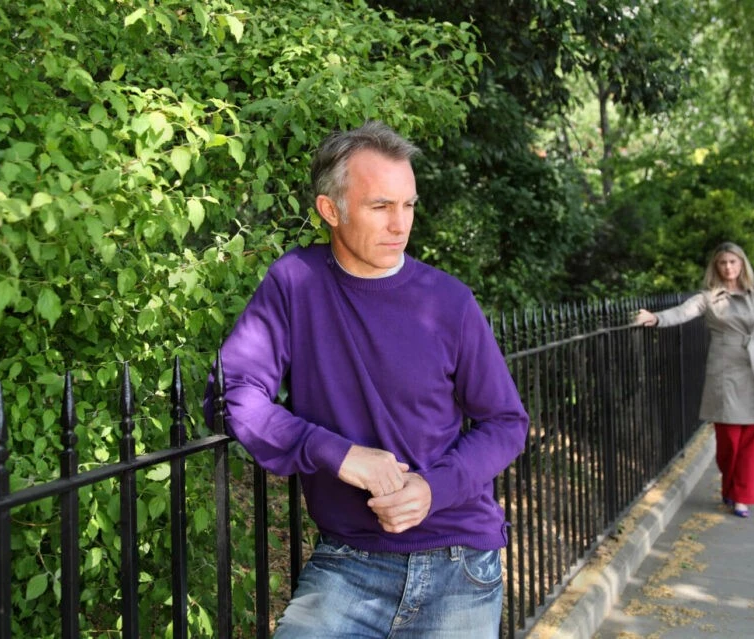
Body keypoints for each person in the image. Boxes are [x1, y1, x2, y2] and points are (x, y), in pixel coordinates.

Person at [206, 121, 529, 638]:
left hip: (459, 559)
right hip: (350, 561)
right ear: (330, 210)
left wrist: (431, 487)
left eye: (409, 205)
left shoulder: (448, 302)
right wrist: (337, 453)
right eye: (381, 206)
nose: (400, 224)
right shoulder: (296, 284)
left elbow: (506, 422)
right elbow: (233, 392)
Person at [633, 242, 754, 518]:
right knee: (729, 442)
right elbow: (682, 312)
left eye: (733, 262)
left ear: (742, 264)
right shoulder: (708, 298)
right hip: (724, 373)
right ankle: (730, 485)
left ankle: (741, 497)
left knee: (751, 440)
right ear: (716, 267)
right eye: (723, 263)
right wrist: (655, 318)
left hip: (753, 372)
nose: (728, 267)